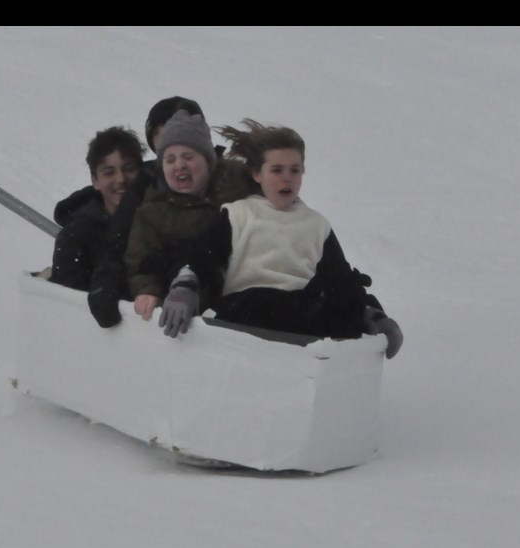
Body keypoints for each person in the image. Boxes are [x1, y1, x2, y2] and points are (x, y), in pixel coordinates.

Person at [154, 118, 403, 358]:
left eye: (294, 170)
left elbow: (341, 279)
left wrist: (374, 314)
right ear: (257, 174)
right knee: (263, 304)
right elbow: (203, 257)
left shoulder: (316, 225)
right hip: (246, 313)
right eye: (277, 170)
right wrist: (185, 287)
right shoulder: (238, 215)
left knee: (336, 309)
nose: (287, 178)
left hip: (301, 318)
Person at [75, 97, 219, 328]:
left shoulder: (227, 178)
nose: (178, 159)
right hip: (168, 288)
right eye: (160, 136)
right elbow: (120, 243)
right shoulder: (146, 187)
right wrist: (107, 282)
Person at [122, 109, 256, 325]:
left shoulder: (237, 197)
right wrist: (147, 291)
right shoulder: (152, 213)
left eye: (188, 156)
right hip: (181, 312)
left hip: (236, 306)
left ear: (208, 161)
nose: (179, 165)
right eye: (170, 159)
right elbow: (139, 264)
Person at [48, 126, 145, 292]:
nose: (120, 179)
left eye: (128, 169)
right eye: (109, 172)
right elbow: (67, 302)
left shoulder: (161, 220)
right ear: (95, 180)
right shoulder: (76, 235)